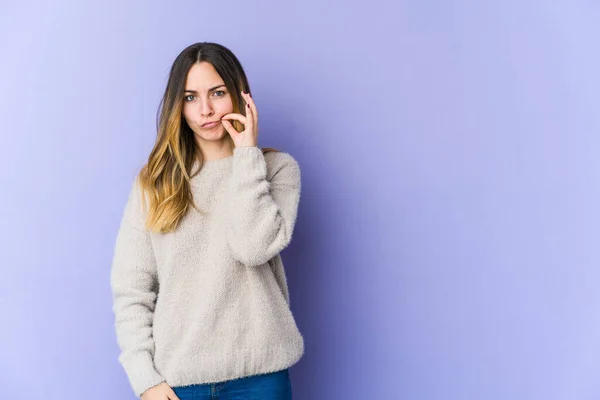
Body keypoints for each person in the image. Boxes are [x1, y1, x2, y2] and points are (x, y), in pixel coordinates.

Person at [110, 42, 304, 400]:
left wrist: (246, 155)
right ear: (177, 106)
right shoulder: (155, 183)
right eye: (190, 97)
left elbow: (252, 247)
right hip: (179, 382)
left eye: (217, 93)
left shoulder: (276, 170)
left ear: (240, 95)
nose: (206, 110)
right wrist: (145, 378)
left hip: (260, 379)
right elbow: (131, 288)